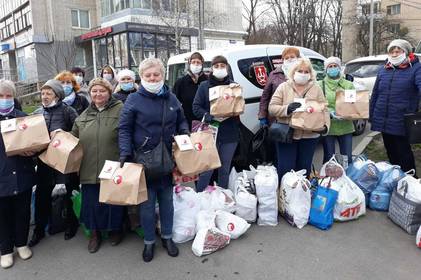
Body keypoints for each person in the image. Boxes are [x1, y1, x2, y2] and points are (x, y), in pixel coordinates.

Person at [119, 58, 189, 262]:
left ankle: (167, 237)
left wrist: (183, 131)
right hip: (143, 162)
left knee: (167, 202)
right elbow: (124, 128)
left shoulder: (171, 98)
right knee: (147, 205)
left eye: (156, 74)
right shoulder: (133, 99)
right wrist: (125, 152)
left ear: (162, 76)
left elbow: (181, 119)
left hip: (167, 160)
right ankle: (149, 241)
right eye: (148, 75)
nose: (152, 78)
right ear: (142, 77)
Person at [71, 78, 125, 253]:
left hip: (113, 164)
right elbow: (72, 137)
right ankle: (95, 234)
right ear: (90, 93)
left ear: (109, 93)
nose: (98, 94)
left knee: (114, 201)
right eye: (94, 91)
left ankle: (115, 230)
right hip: (89, 167)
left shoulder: (121, 109)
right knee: (92, 203)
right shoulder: (84, 115)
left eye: (102, 90)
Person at [29, 80, 79, 247]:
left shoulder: (68, 111)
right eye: (43, 93)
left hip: (64, 162)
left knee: (69, 194)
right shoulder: (36, 113)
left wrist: (63, 134)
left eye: (48, 93)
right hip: (44, 162)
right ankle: (39, 229)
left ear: (57, 95)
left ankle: (71, 224)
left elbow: (78, 133)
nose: (44, 96)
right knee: (42, 196)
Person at [269, 58, 329, 179]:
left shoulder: (316, 88)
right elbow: (272, 108)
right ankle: (284, 195)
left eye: (306, 71)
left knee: (304, 168)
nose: (303, 74)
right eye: (300, 71)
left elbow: (324, 109)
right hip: (287, 134)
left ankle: (302, 195)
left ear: (310, 74)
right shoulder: (283, 87)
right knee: (286, 169)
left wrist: (325, 127)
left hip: (309, 135)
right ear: (293, 72)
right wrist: (287, 109)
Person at [370, 39, 421, 175]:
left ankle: (410, 180)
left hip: (402, 119)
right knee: (391, 151)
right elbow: (375, 94)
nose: (395, 53)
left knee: (404, 153)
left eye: (398, 50)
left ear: (406, 52)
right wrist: (372, 115)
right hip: (383, 119)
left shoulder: (416, 68)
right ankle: (395, 177)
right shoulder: (384, 69)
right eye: (392, 51)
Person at [0, 80, 36, 269]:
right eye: (1, 96)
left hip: (22, 174)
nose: (5, 99)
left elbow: (36, 143)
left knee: (22, 212)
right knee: (2, 215)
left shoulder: (24, 119)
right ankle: (5, 250)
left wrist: (32, 151)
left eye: (8, 96)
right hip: (2, 176)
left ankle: (22, 243)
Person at [193, 55, 240, 191]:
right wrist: (208, 116)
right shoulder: (204, 86)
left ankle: (223, 197)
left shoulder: (233, 86)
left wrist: (235, 109)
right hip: (210, 132)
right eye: (216, 66)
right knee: (207, 169)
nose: (220, 69)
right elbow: (196, 107)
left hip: (229, 133)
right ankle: (201, 198)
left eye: (222, 66)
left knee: (224, 168)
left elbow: (239, 107)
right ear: (212, 69)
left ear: (227, 68)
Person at [319, 57, 355, 167]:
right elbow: (317, 103)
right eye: (330, 66)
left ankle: (347, 178)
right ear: (326, 69)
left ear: (340, 68)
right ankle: (329, 181)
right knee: (329, 157)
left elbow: (353, 103)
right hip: (329, 126)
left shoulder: (348, 85)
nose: (333, 68)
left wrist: (348, 111)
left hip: (346, 126)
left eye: (335, 66)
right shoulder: (320, 85)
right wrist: (330, 112)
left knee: (347, 157)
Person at [258, 47, 301, 126]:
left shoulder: (303, 74)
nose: (289, 59)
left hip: (298, 118)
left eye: (292, 57)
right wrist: (262, 116)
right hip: (277, 118)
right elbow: (265, 96)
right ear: (283, 60)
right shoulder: (274, 74)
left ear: (298, 58)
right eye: (286, 58)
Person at [173, 52, 208, 129]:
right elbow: (174, 103)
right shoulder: (181, 82)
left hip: (205, 123)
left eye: (198, 62)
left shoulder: (207, 81)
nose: (196, 65)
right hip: (186, 123)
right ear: (189, 64)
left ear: (202, 64)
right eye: (193, 62)